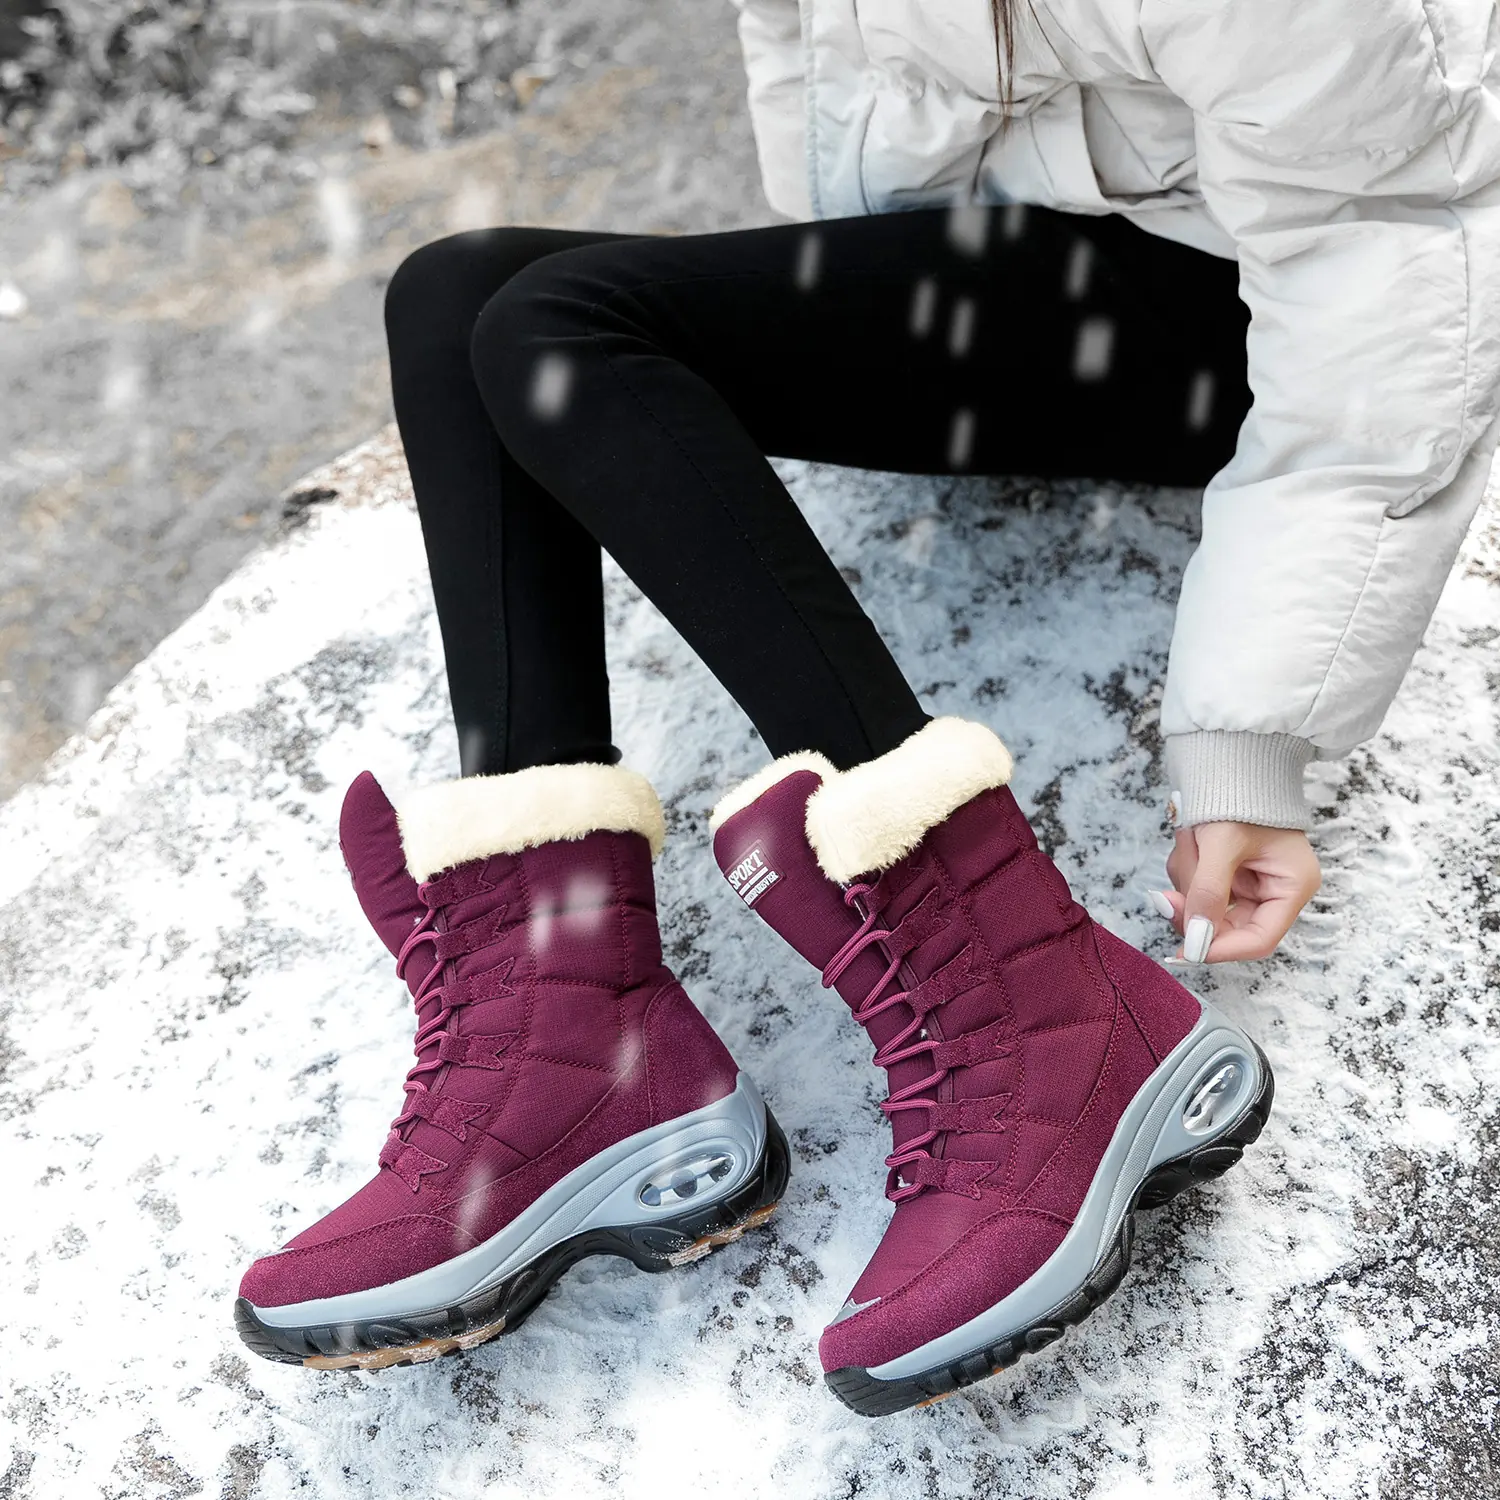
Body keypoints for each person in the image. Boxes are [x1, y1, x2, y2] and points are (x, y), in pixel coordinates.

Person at [233, 0, 1499, 1415]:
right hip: (1034, 263)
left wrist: (1251, 740)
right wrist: (845, 305)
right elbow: (843, 105)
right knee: (462, 296)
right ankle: (568, 1033)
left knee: (559, 328)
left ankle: (1043, 1010)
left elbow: (1394, 282)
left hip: (1241, 311)